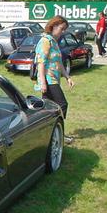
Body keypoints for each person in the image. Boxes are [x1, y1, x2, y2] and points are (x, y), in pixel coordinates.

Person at [35, 15, 75, 143]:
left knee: (46, 109)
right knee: (62, 104)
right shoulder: (45, 41)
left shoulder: (54, 42)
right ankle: (58, 133)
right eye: (62, 28)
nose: (63, 31)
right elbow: (41, 62)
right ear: (53, 26)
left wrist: (68, 77)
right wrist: (43, 82)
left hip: (54, 79)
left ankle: (48, 134)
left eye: (65, 29)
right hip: (48, 79)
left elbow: (59, 64)